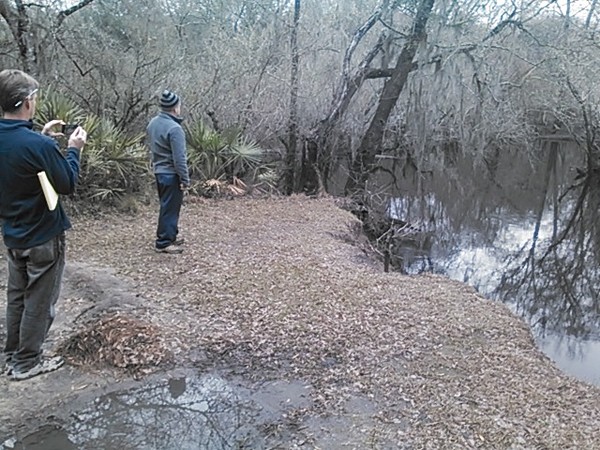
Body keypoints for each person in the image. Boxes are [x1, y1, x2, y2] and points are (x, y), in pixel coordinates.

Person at [0, 69, 87, 381]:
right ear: (26, 102)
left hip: (12, 233)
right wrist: (74, 149)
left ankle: (11, 355)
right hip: (44, 236)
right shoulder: (39, 146)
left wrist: (43, 137)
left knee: (17, 296)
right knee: (39, 299)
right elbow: (66, 184)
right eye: (34, 98)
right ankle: (27, 362)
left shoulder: (31, 142)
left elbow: (18, 156)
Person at [147, 89, 191, 254]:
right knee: (170, 208)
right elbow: (179, 158)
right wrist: (185, 179)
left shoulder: (153, 123)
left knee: (167, 206)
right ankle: (163, 242)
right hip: (171, 173)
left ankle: (169, 235)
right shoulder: (175, 129)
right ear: (175, 107)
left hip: (159, 171)